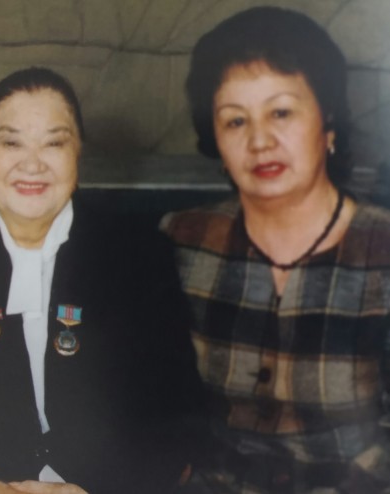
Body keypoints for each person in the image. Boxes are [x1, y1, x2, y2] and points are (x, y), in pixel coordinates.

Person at [0, 67, 205, 494]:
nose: (32, 164)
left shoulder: (137, 253)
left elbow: (175, 410)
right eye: (11, 142)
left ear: (78, 153)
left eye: (54, 143)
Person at [160, 6, 390, 493]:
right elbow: (151, 406)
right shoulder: (182, 241)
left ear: (328, 121)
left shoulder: (382, 249)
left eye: (281, 112)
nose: (259, 140)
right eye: (235, 121)